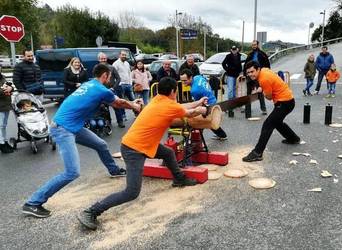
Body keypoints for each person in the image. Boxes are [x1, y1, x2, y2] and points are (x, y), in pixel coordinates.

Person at [78, 77, 207, 230]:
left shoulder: (158, 100)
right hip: (134, 150)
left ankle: (179, 179)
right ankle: (91, 211)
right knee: (131, 192)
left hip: (142, 145)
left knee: (167, 153)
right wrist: (201, 109)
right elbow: (189, 113)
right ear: (173, 91)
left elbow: (180, 107)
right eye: (175, 92)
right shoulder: (168, 105)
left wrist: (198, 102)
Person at [22, 64, 143, 218]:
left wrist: (132, 103)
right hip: (63, 129)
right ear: (105, 75)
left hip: (73, 126)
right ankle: (33, 203)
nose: (111, 79)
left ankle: (114, 170)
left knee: (101, 144)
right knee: (72, 172)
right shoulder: (99, 89)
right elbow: (118, 103)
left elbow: (115, 102)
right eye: (110, 77)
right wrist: (135, 106)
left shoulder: (90, 84)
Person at [242, 61, 300, 162]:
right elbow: (269, 85)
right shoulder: (264, 70)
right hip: (288, 100)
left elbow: (268, 97)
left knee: (268, 124)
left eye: (252, 71)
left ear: (258, 69)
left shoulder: (264, 79)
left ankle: (257, 153)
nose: (250, 74)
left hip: (284, 103)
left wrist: (262, 91)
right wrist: (262, 89)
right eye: (248, 73)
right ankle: (293, 138)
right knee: (277, 122)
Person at [180, 69, 227, 140]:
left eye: (185, 80)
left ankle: (196, 140)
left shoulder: (194, 90)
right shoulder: (197, 77)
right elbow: (205, 81)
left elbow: (197, 103)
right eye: (182, 80)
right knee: (209, 121)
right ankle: (222, 135)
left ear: (191, 78)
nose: (183, 83)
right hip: (212, 98)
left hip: (208, 104)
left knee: (200, 121)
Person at [244, 40, 270, 117]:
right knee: (248, 93)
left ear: (258, 45)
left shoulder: (262, 54)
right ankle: (247, 111)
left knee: (260, 92)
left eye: (255, 45)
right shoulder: (250, 54)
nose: (253, 46)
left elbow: (267, 65)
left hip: (259, 75)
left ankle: (263, 109)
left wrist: (266, 73)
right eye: (252, 45)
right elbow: (246, 65)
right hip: (250, 76)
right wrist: (245, 74)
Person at [97, 52, 124, 126]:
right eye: (101, 58)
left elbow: (118, 78)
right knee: (105, 108)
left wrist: (113, 88)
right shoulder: (96, 68)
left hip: (112, 90)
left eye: (104, 58)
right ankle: (108, 122)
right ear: (99, 59)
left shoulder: (111, 67)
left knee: (117, 106)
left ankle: (120, 121)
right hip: (102, 91)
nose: (103, 59)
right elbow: (95, 79)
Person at [112, 50, 133, 128]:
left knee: (132, 99)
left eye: (125, 55)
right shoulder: (115, 64)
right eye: (123, 55)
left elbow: (129, 73)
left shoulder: (127, 63)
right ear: (119, 55)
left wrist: (130, 83)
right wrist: (118, 84)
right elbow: (114, 76)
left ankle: (136, 113)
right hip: (120, 85)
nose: (124, 56)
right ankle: (123, 115)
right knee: (121, 101)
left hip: (128, 84)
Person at [222, 45, 242, 117]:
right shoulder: (228, 56)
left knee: (235, 90)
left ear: (237, 49)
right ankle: (229, 105)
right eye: (232, 49)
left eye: (235, 49)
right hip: (230, 75)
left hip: (237, 75)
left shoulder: (239, 56)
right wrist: (227, 70)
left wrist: (240, 71)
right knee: (230, 90)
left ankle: (233, 104)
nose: (234, 50)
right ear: (231, 50)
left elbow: (240, 65)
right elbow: (223, 64)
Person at [0, 68, 14, 154]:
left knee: (3, 125)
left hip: (5, 105)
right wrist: (6, 90)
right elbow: (4, 89)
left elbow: (10, 86)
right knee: (0, 126)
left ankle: (4, 141)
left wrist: (11, 88)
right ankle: (1, 144)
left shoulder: (2, 77)